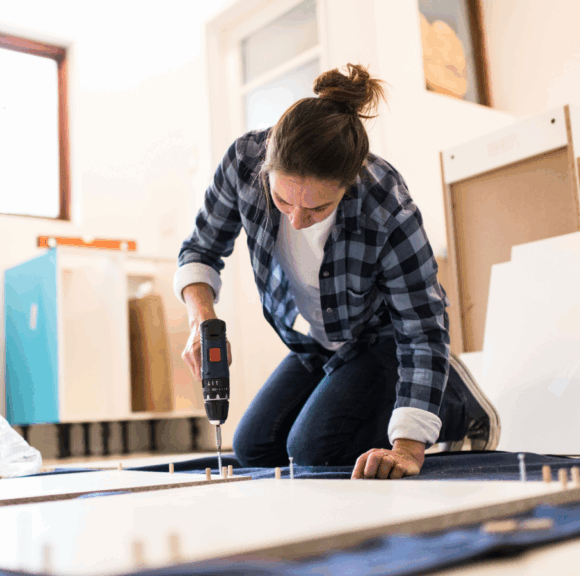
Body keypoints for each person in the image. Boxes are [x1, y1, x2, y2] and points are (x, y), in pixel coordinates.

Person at [174, 63, 500, 480]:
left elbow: (422, 326)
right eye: (282, 200)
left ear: (349, 185)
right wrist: (201, 317)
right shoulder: (243, 162)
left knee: (313, 450)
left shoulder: (385, 203)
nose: (295, 220)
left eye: (317, 208)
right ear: (267, 168)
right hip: (315, 343)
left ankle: (455, 404)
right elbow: (200, 248)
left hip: (384, 340)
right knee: (254, 448)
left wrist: (408, 446)